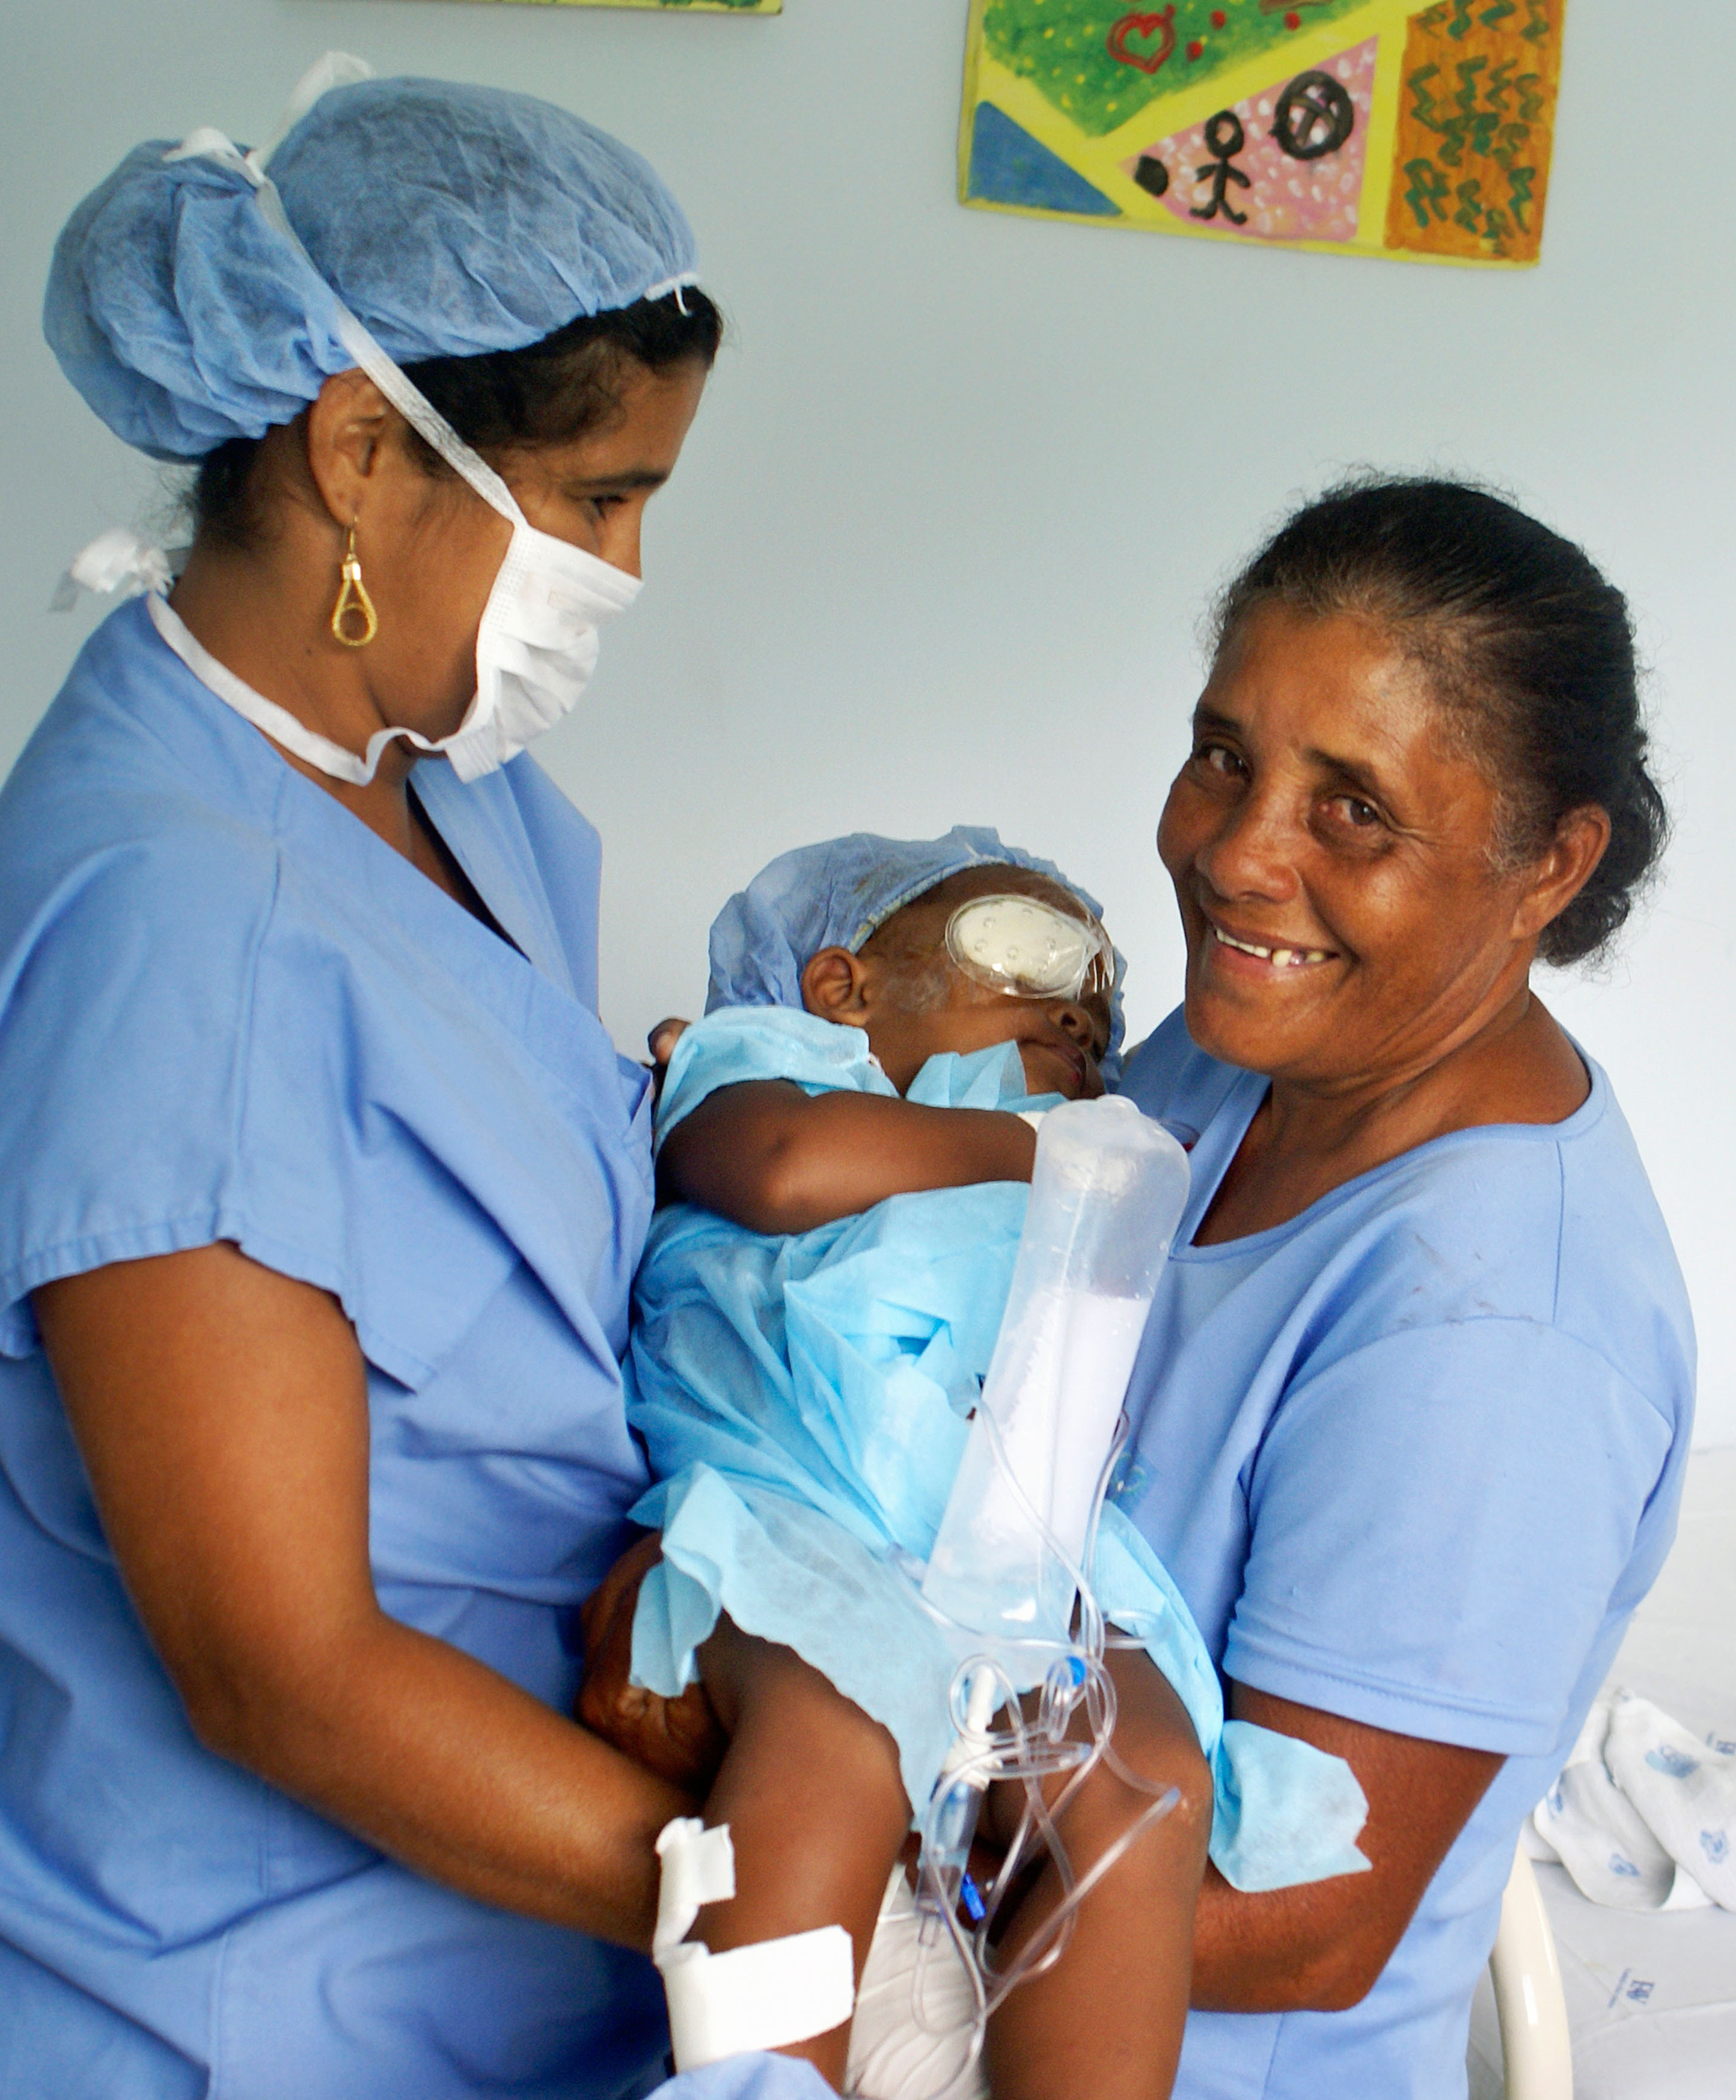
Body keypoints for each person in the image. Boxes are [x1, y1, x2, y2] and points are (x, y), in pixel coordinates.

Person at [0, 62, 721, 2097]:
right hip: (252, 2012)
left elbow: (494, 1239)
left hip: (526, 1964)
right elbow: (287, 1672)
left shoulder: (443, 790)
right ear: (363, 449)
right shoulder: (167, 937)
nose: (626, 566)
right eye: (603, 498)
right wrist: (793, 1901)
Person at [582, 832, 1365, 2099]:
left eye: (1102, 994)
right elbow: (785, 1175)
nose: (1078, 1004)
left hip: (1009, 1548)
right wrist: (1057, 1158)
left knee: (1144, 1773)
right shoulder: (773, 1070)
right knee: (836, 1722)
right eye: (1027, 951)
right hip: (786, 1523)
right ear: (842, 983)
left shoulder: (1057, 1163)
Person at [1115, 475, 1697, 2095]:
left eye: (1350, 807)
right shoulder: (1236, 1065)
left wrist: (760, 1870)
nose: (1238, 853)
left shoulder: (1493, 1326)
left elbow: (1292, 1917)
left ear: (1545, 866)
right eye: (1224, 754)